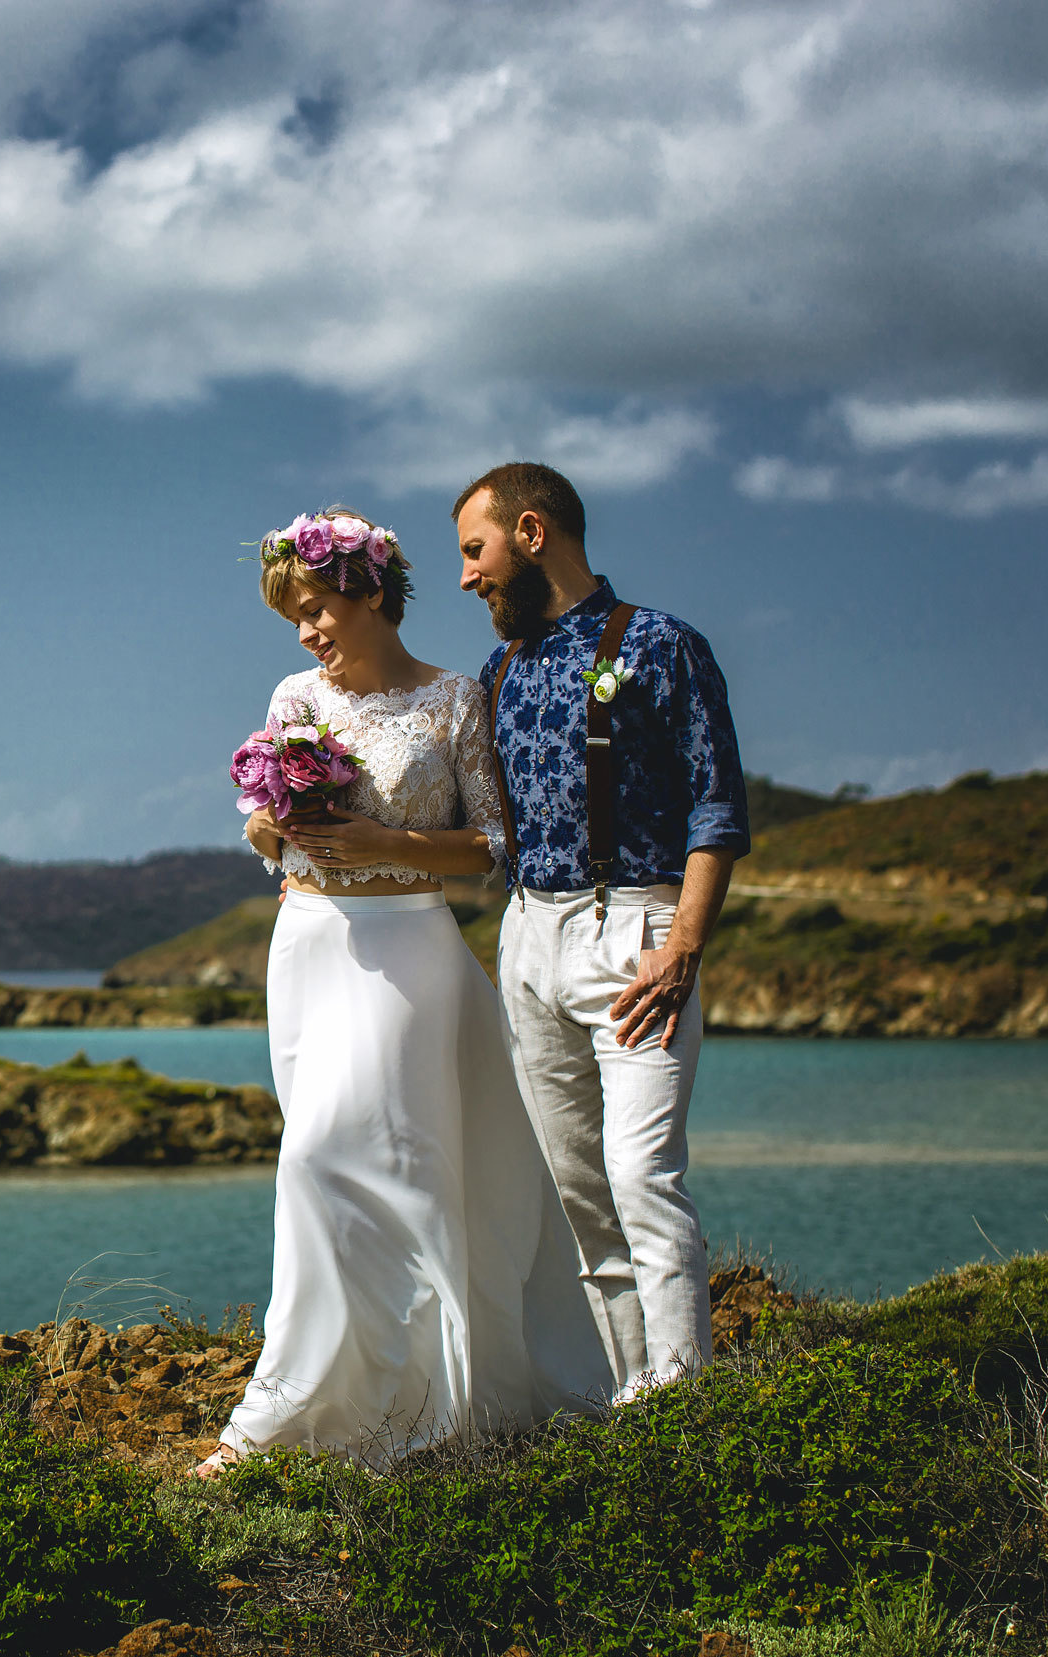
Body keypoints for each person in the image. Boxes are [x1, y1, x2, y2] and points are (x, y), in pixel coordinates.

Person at [194, 509, 612, 1478]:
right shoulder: (295, 690)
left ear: (370, 591)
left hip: (408, 946)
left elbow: (492, 845)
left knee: (336, 1159)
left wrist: (385, 844)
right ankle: (341, 1399)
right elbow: (262, 823)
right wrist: (271, 825)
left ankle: (407, 1402)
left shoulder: (454, 699)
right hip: (308, 945)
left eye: (314, 608)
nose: (306, 632)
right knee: (324, 1156)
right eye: (293, 617)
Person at [454, 462, 750, 1402]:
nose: (468, 576)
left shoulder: (663, 644)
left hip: (638, 932)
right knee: (580, 1194)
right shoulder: (498, 672)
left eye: (475, 549)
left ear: (532, 532)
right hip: (528, 940)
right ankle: (637, 1405)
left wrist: (683, 950)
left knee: (642, 1175)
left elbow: (717, 810)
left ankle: (684, 1408)